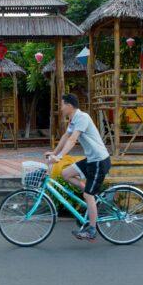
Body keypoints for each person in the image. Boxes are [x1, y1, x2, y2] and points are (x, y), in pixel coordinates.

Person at [45, 94, 110, 242]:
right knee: (66, 173)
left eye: (62, 105)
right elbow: (65, 137)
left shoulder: (83, 117)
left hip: (99, 161)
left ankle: (92, 230)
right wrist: (53, 153)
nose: (61, 108)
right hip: (91, 160)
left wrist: (60, 157)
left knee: (88, 195)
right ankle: (90, 199)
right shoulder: (73, 119)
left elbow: (73, 139)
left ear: (69, 106)